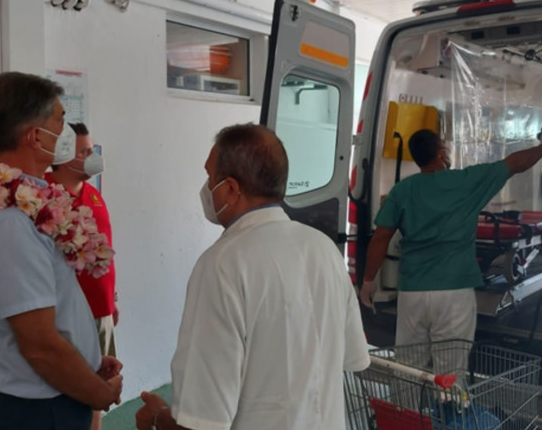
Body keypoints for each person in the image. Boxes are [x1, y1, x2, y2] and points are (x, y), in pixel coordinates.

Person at [135, 123, 370, 430]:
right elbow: (352, 357)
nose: (206, 189)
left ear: (231, 189)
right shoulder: (324, 249)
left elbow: (202, 420)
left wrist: (156, 417)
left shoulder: (222, 265)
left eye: (210, 178)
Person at [0, 72, 122, 430]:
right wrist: (99, 394)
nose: (65, 134)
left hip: (47, 397)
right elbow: (40, 346)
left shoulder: (10, 204)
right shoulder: (9, 223)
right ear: (35, 136)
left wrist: (87, 361)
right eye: (60, 121)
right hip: (41, 411)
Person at [359, 128, 542, 369]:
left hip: (412, 292)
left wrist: (368, 281)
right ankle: (450, 406)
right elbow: (514, 164)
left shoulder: (403, 190)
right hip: (454, 290)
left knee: (408, 367)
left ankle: (406, 407)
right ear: (441, 153)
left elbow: (381, 237)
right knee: (451, 370)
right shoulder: (466, 181)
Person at [46, 122, 116, 430]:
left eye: (92, 150)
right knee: (73, 389)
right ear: (62, 155)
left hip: (101, 311)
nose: (92, 156)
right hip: (67, 316)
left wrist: (112, 301)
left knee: (101, 385)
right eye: (85, 151)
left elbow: (106, 251)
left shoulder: (93, 194)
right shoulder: (42, 197)